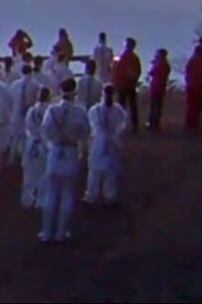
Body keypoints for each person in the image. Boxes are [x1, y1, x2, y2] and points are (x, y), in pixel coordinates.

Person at [39, 79, 90, 242]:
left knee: (50, 195)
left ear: (60, 91)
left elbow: (45, 131)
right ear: (74, 91)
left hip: (54, 151)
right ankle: (62, 232)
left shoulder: (52, 111)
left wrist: (52, 143)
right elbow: (86, 133)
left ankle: (46, 232)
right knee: (67, 195)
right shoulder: (81, 112)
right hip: (71, 151)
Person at [84, 84, 129, 205]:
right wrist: (115, 135)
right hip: (108, 142)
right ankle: (108, 195)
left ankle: (93, 195)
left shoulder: (95, 110)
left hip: (101, 142)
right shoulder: (118, 110)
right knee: (108, 171)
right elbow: (123, 125)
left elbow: (92, 127)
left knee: (97, 171)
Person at [20, 87, 52, 209]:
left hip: (31, 142)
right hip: (45, 144)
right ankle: (41, 200)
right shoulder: (50, 111)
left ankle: (27, 199)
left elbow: (27, 126)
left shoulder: (31, 110)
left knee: (29, 173)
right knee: (43, 174)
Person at [9, 64, 42, 161]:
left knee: (15, 137)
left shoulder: (14, 85)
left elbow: (10, 100)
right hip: (29, 114)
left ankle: (12, 158)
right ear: (31, 72)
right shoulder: (36, 86)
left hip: (16, 113)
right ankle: (25, 159)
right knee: (27, 137)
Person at [113, 38, 142, 132]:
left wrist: (116, 81)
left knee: (122, 105)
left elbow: (117, 70)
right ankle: (134, 124)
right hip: (131, 85)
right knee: (132, 105)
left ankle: (121, 124)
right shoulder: (135, 58)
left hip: (123, 84)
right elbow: (138, 71)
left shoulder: (123, 57)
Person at [184, 40, 202, 129]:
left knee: (191, 102)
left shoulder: (192, 60)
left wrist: (187, 80)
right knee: (197, 102)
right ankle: (195, 120)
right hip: (199, 84)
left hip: (192, 84)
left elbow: (187, 70)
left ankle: (190, 121)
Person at [146, 49, 172, 131]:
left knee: (153, 105)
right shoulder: (166, 65)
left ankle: (151, 122)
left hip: (155, 85)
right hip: (162, 85)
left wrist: (152, 64)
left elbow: (151, 72)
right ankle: (157, 122)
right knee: (159, 105)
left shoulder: (158, 64)